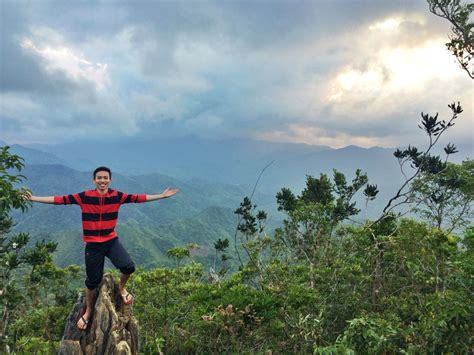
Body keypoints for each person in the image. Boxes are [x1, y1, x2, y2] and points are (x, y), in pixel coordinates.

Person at [27, 166, 179, 330]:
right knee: (92, 282)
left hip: (111, 241)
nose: (102, 180)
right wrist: (33, 198)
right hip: (93, 244)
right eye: (99, 178)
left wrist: (161, 196)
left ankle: (121, 288)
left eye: (105, 178)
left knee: (128, 266)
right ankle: (89, 311)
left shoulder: (117, 196)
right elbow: (59, 199)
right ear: (94, 180)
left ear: (110, 180)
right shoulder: (84, 197)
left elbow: (138, 198)